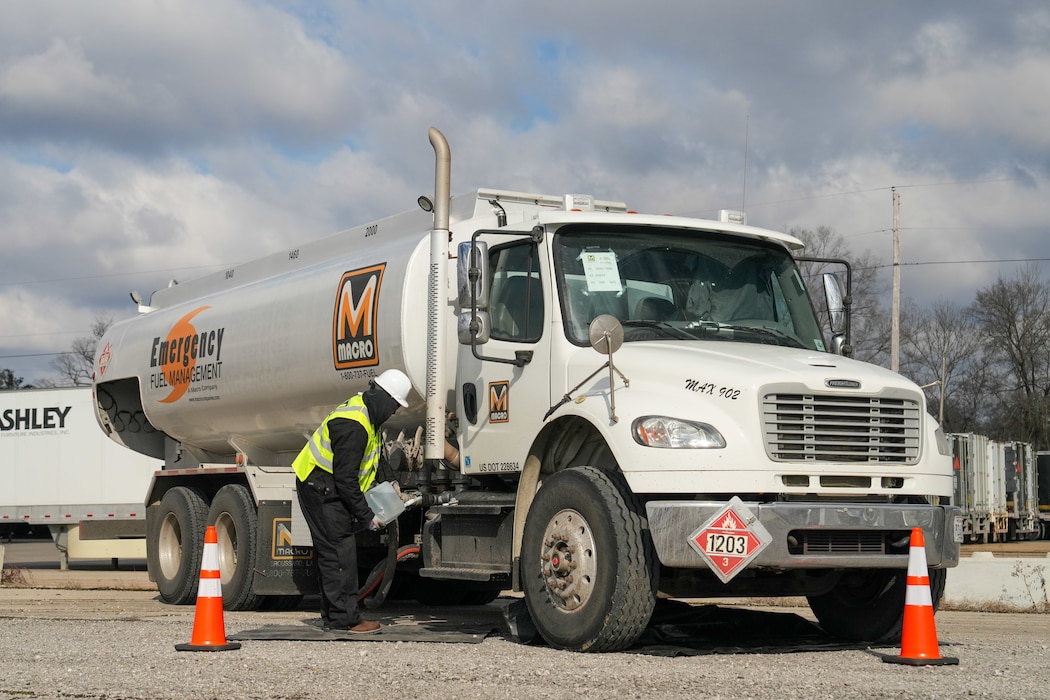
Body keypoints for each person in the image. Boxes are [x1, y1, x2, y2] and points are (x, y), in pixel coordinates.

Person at [292, 368, 412, 633]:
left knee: (338, 551)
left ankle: (336, 616)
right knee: (339, 553)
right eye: (394, 406)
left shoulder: (368, 417)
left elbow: (376, 456)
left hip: (327, 486)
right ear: (384, 398)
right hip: (320, 487)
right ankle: (343, 620)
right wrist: (367, 516)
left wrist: (390, 480)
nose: (393, 412)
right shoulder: (353, 425)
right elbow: (346, 480)